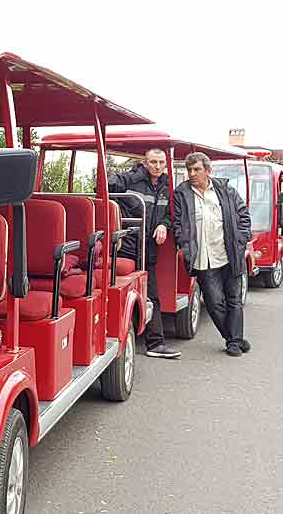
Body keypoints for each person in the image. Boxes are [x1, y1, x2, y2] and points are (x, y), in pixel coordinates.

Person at [171, 152, 252, 357]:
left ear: (208, 171)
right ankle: (235, 337)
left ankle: (232, 341)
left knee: (234, 300)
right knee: (215, 302)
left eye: (196, 169)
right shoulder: (182, 193)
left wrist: (241, 240)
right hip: (203, 259)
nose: (192, 173)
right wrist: (183, 241)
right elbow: (178, 223)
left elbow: (243, 214)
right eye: (189, 169)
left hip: (229, 254)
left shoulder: (225, 189)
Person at [107, 148, 180, 359]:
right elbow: (105, 186)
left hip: (149, 249)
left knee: (152, 295)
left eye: (161, 163)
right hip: (127, 246)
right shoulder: (130, 179)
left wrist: (164, 225)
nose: (157, 166)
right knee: (122, 293)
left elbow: (169, 214)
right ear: (145, 163)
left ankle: (155, 344)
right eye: (153, 162)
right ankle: (117, 336)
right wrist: (138, 173)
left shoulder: (168, 186)